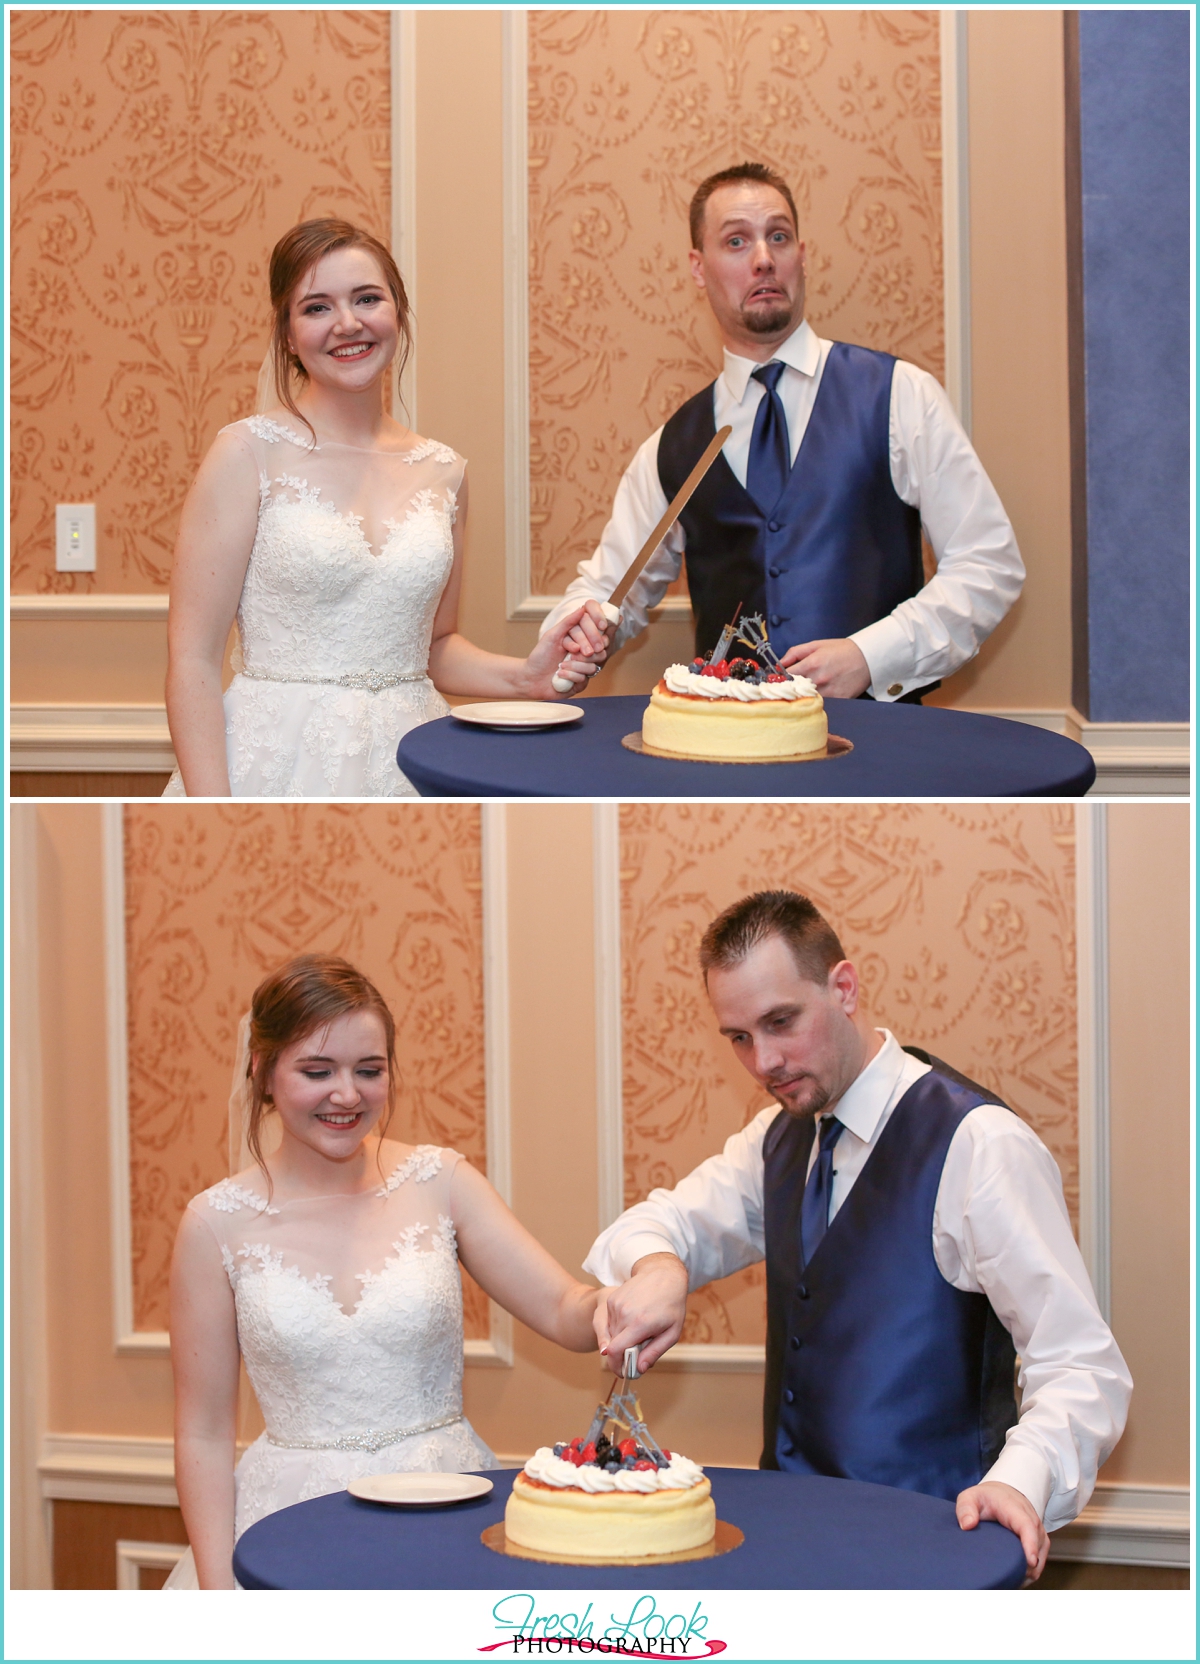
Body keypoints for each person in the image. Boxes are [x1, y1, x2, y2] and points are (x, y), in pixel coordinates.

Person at [587, 891, 1131, 1583]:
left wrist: (1020, 1482)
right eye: (739, 1037)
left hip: (935, 1551)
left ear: (843, 988)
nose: (764, 1062)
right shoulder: (775, 1142)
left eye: (782, 1022)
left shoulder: (976, 1142)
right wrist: (664, 1269)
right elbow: (654, 1224)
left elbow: (1083, 1365)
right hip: (788, 1552)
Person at [167, 954, 600, 1588]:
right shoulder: (214, 1223)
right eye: (318, 1071)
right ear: (262, 1072)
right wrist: (217, 1588)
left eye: (369, 1070)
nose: (347, 1093)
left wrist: (629, 1299)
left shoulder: (441, 1181)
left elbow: (566, 1310)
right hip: (287, 1526)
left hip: (442, 1513)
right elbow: (203, 1432)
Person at [542, 162, 1024, 704]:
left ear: (801, 254)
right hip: (728, 752)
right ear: (699, 269)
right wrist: (577, 626)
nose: (764, 258)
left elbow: (989, 563)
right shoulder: (671, 448)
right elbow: (610, 593)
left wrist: (873, 654)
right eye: (736, 241)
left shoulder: (899, 395)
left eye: (778, 236)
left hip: (882, 750)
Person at [165, 218, 608, 796]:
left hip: (413, 754)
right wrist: (212, 811)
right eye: (317, 307)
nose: (347, 323)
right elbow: (193, 661)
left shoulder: (445, 471)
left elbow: (433, 646)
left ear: (396, 311)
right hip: (273, 761)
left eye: (367, 299)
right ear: (287, 333)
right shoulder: (245, 454)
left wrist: (528, 678)